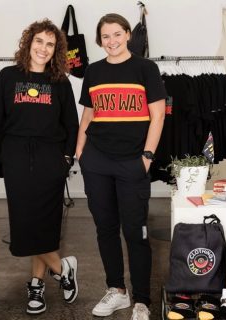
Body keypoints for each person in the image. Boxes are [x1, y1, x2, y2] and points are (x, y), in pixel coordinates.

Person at [0, 19, 79, 315]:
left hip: (50, 157)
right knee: (25, 223)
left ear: (56, 50)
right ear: (28, 43)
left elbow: (71, 125)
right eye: (39, 42)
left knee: (45, 224)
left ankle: (36, 283)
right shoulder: (8, 76)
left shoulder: (59, 81)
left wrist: (66, 159)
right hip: (17, 157)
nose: (43, 49)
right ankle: (63, 269)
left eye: (50, 44)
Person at [76, 13, 166, 320]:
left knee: (136, 232)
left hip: (133, 162)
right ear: (99, 40)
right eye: (105, 37)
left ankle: (142, 300)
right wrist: (80, 153)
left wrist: (147, 157)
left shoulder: (146, 68)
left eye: (116, 34)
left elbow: (158, 116)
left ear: (127, 34)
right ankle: (116, 291)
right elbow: (88, 115)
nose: (111, 41)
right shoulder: (93, 71)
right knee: (105, 229)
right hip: (97, 160)